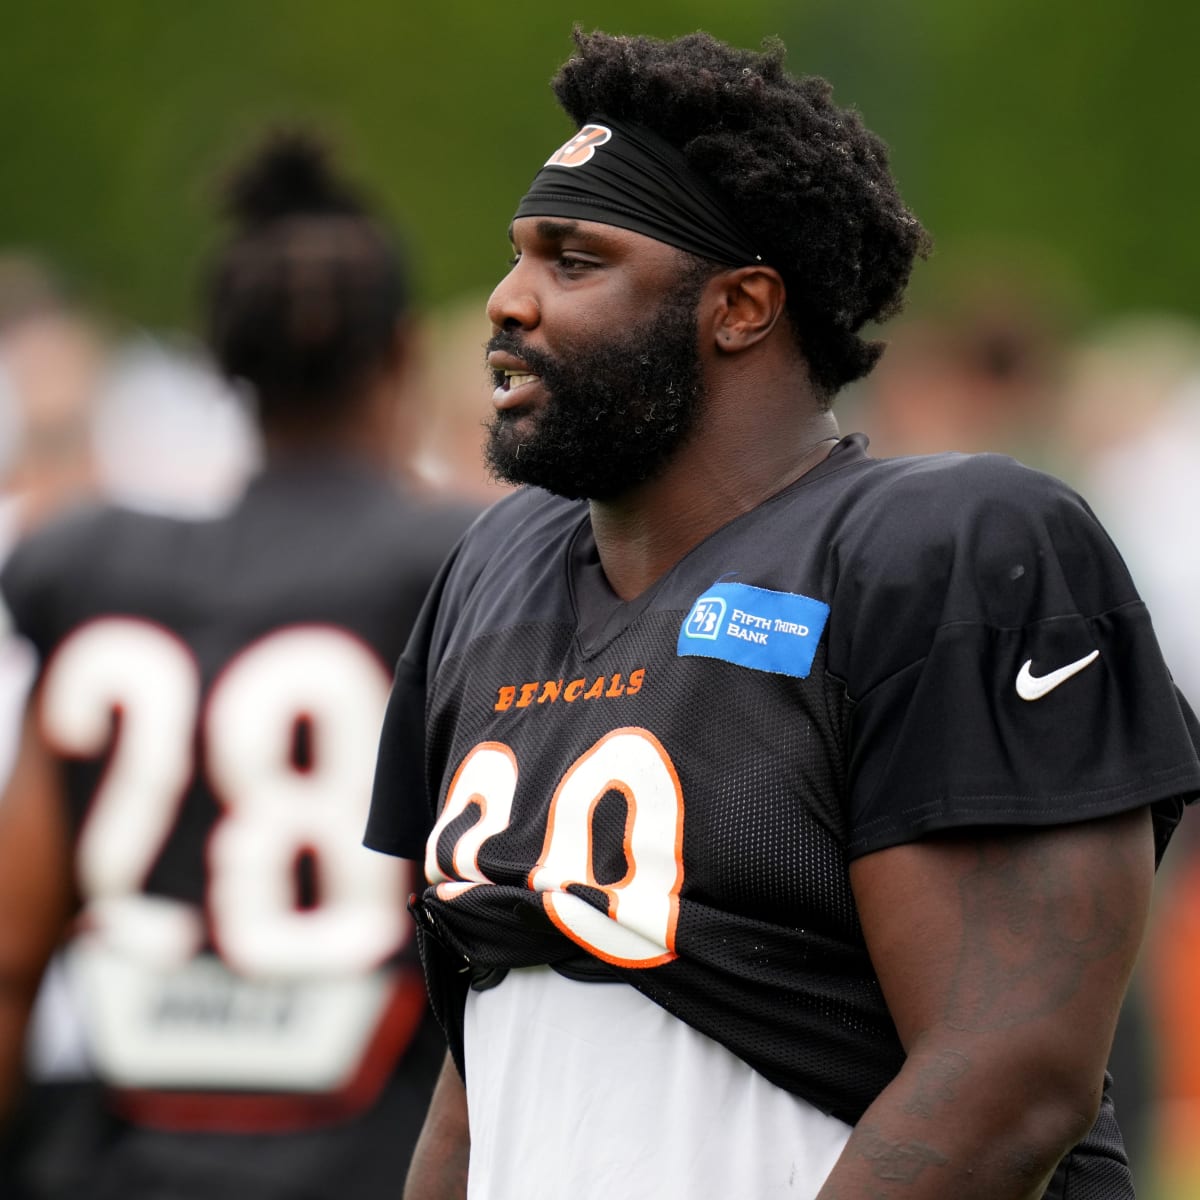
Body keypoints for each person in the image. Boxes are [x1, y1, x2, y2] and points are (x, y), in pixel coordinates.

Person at [363, 28, 1200, 1200]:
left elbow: (1013, 1074)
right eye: (519, 256)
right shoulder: (493, 568)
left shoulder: (947, 550)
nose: (508, 302)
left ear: (743, 305)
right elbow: (489, 1055)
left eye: (575, 258)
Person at [0, 131, 476, 1198]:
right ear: (398, 353)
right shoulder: (465, 563)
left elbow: (9, 950)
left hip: (127, 1162)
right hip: (378, 1153)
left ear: (222, 358)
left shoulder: (95, 565)